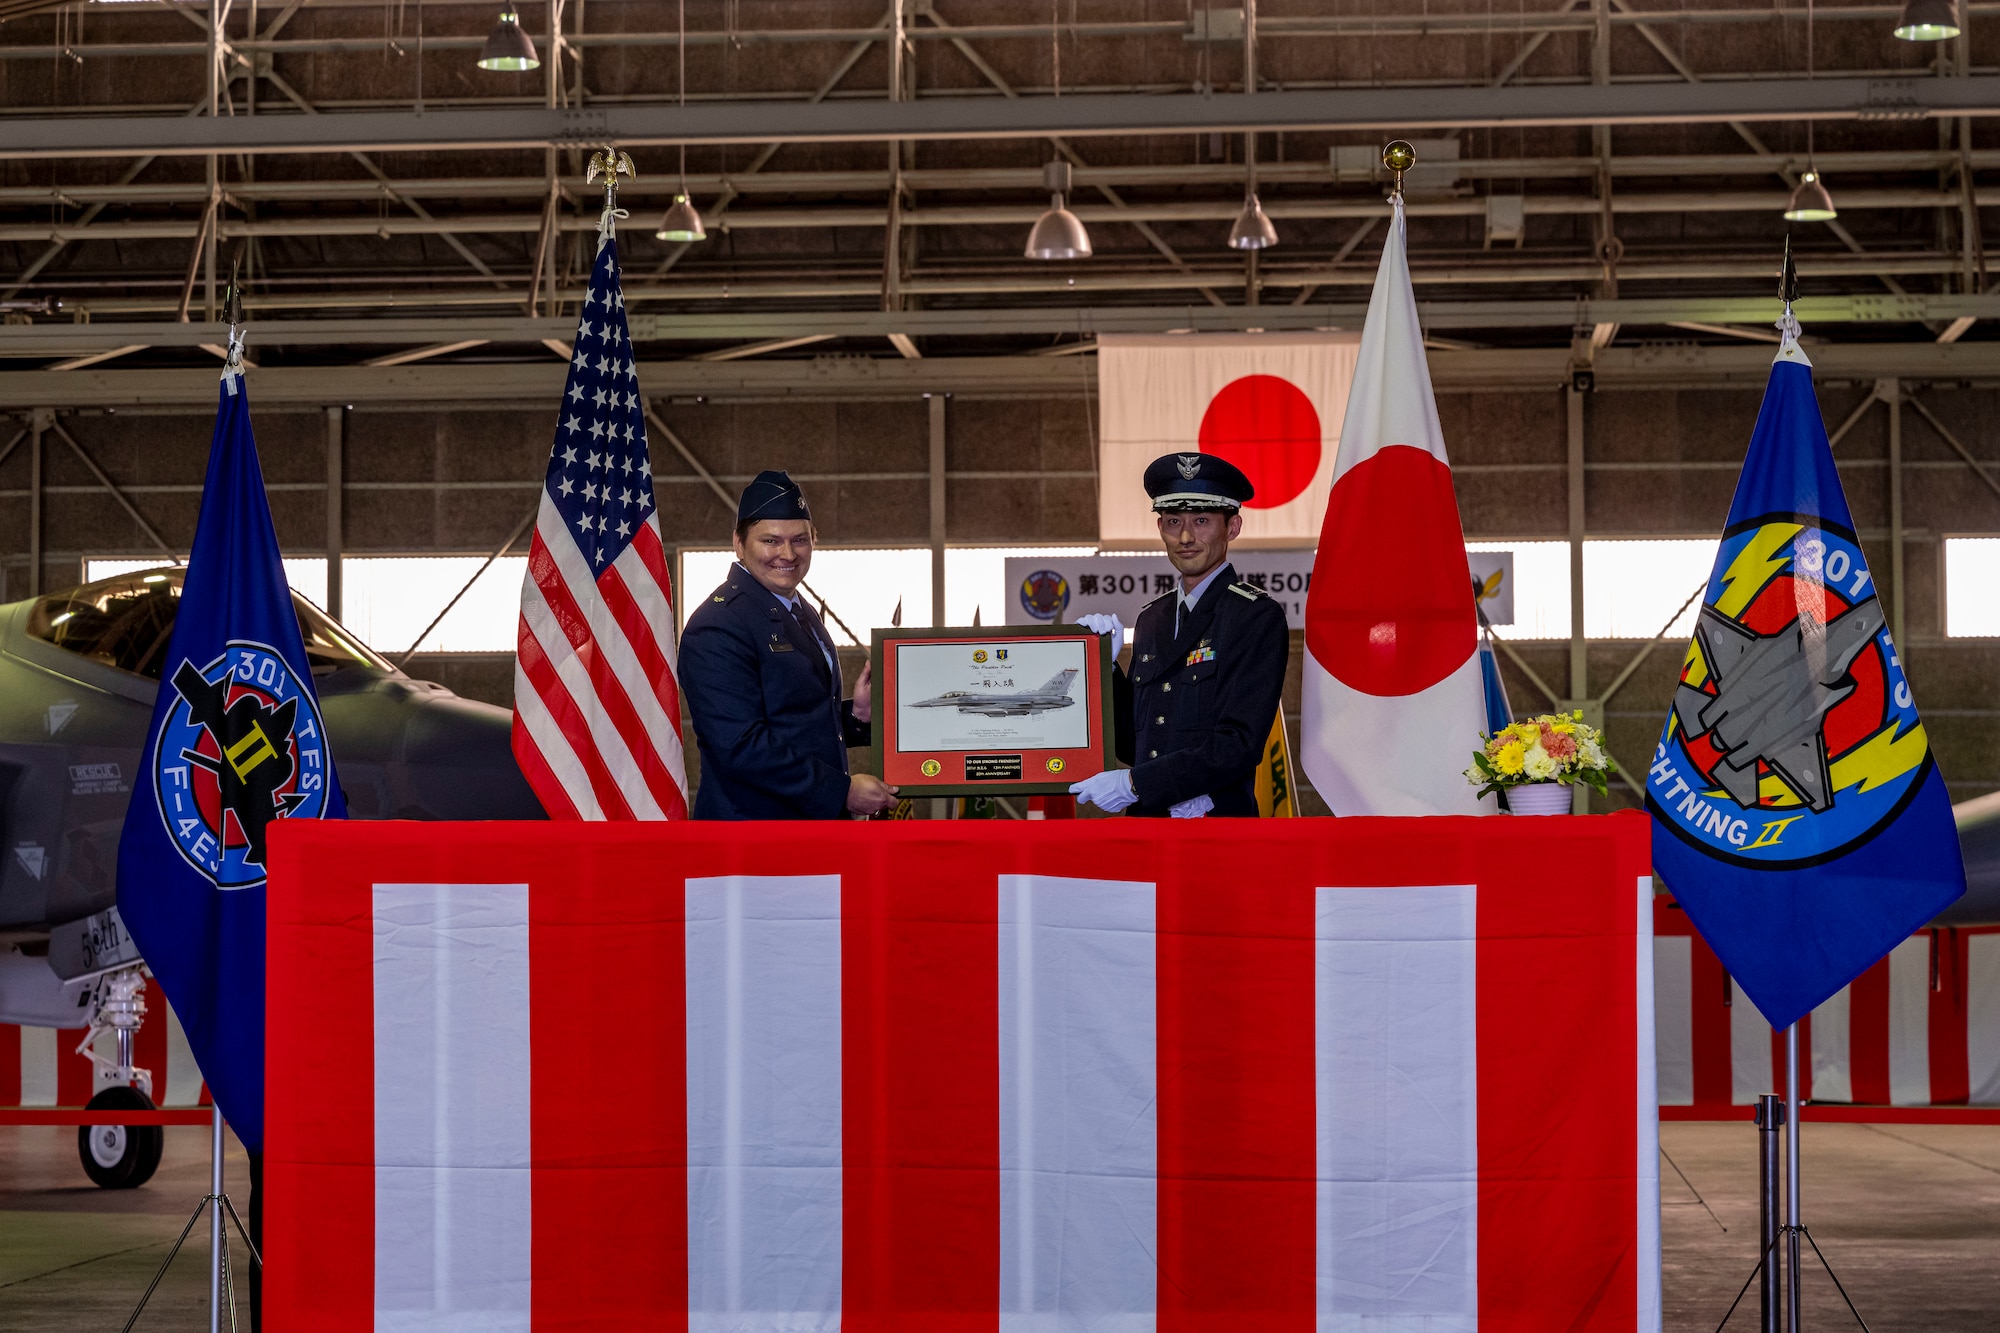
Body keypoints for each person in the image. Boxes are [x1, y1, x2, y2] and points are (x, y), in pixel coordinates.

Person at [1067, 452, 1288, 818]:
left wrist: (1135, 785)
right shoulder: (1152, 618)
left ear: (1232, 527)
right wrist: (1104, 670)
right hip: (1147, 827)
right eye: (1173, 521)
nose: (1186, 536)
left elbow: (1239, 744)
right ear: (1160, 529)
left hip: (1216, 829)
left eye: (1202, 521)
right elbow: (1134, 741)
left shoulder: (1253, 616)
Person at [679, 470, 900, 819]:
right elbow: (740, 746)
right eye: (770, 541)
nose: (787, 553)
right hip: (754, 839)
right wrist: (841, 791)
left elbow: (796, 721)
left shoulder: (799, 609)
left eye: (800, 540)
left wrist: (856, 715)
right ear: (738, 543)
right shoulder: (718, 624)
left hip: (806, 835)